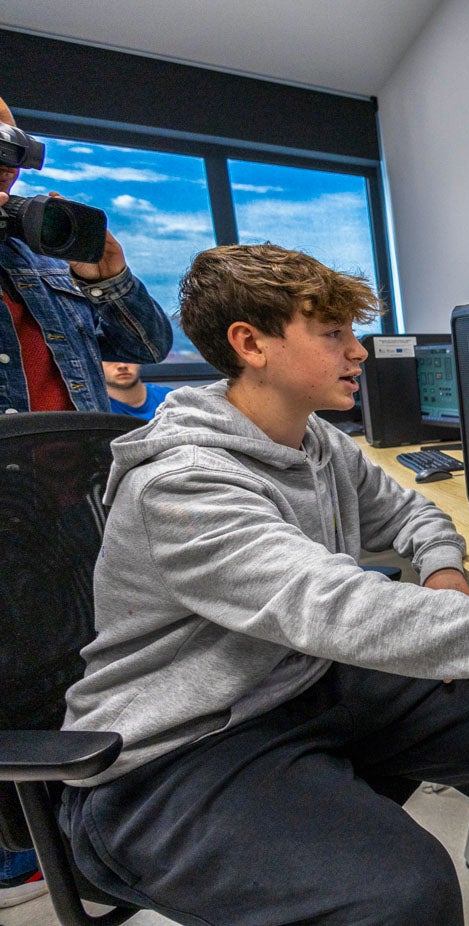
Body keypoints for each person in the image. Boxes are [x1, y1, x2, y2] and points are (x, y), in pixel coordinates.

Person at [59, 243, 469, 925]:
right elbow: (344, 611)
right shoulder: (184, 484)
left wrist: (443, 572)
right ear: (251, 344)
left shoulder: (315, 441)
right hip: (170, 757)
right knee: (403, 892)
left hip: (296, 685)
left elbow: (412, 510)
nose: (358, 352)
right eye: (332, 334)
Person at [0, 92, 173, 908]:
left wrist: (109, 275)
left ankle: (89, 831)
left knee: (80, 672)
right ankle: (19, 856)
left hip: (78, 510)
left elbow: (149, 347)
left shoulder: (38, 259)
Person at [0, 95, 172, 415]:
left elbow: (148, 348)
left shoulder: (48, 260)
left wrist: (110, 281)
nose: (9, 165)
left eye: (14, 149)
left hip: (84, 460)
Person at [103, 361, 173, 420]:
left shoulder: (170, 398)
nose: (122, 365)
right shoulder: (96, 409)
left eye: (127, 358)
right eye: (110, 360)